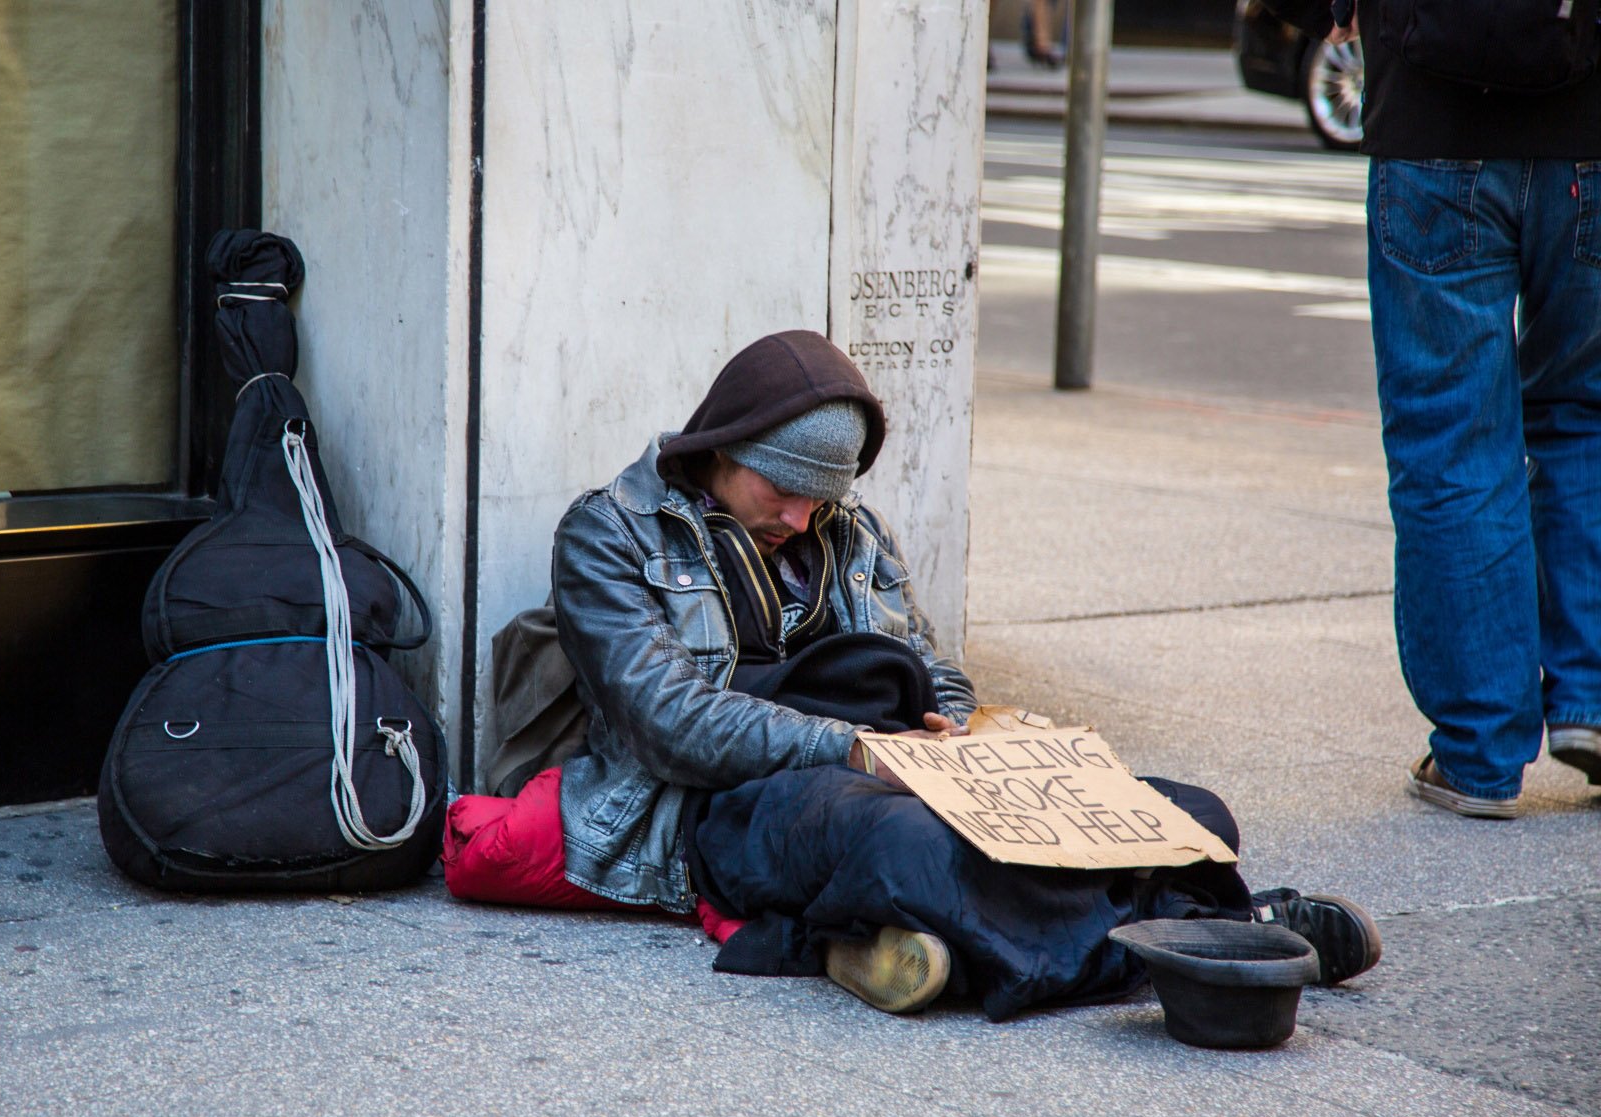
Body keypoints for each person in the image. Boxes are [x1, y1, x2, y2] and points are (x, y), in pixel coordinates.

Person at [548, 329, 1381, 1016]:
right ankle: (1215, 928)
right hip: (719, 803)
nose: (801, 516)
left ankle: (905, 946)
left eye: (822, 496)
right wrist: (859, 751)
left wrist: (951, 726)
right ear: (722, 448)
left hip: (895, 765)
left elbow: (929, 663)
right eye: (781, 487)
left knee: (1189, 813)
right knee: (906, 847)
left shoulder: (848, 530)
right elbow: (671, 724)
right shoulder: (608, 535)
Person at [1265, 1, 1601, 819]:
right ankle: (1593, 697)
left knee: (1453, 437)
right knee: (1587, 412)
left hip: (1434, 118)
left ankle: (1480, 753)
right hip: (1590, 122)